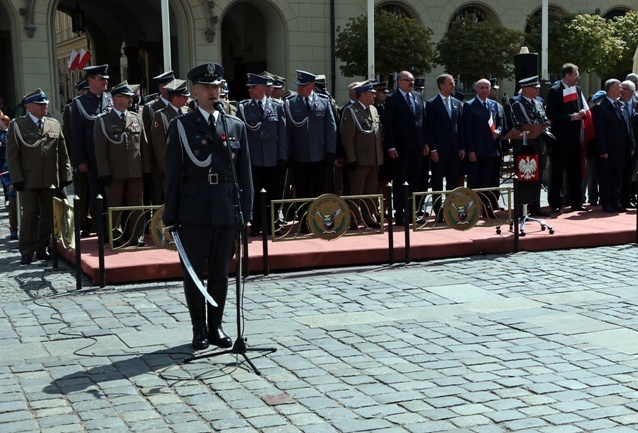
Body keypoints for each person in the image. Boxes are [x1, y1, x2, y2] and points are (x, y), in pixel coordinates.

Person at [163, 63, 253, 350]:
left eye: (217, 87)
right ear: (194, 93)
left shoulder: (235, 125)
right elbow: (173, 175)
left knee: (219, 271)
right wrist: (171, 216)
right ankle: (198, 329)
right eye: (207, 88)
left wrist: (246, 215)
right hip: (194, 209)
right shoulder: (181, 126)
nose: (214, 92)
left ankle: (216, 326)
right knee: (194, 272)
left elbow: (245, 175)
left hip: (226, 207)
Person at [6, 89, 72, 264]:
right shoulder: (18, 125)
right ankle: (26, 251)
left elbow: (62, 153)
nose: (44, 107)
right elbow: (12, 155)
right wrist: (16, 178)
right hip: (28, 179)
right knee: (29, 214)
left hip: (50, 178)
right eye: (40, 104)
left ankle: (42, 248)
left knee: (48, 215)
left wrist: (65, 175)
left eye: (45, 104)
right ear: (29, 106)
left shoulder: (54, 124)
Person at [94, 81, 151, 247]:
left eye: (130, 96)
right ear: (116, 99)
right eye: (126, 96)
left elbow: (144, 146)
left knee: (137, 206)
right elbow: (100, 149)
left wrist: (146, 170)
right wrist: (103, 172)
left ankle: (137, 236)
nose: (130, 99)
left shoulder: (136, 119)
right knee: (114, 207)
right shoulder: (103, 121)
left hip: (135, 170)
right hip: (114, 171)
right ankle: (116, 237)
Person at [284, 70, 337, 232]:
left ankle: (318, 221)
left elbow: (331, 128)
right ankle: (304, 222)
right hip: (299, 155)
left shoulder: (323, 101)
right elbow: (287, 131)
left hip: (319, 155)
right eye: (299, 85)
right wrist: (288, 153)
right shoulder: (290, 103)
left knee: (319, 190)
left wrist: (330, 151)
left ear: (312, 86)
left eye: (303, 85)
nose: (299, 88)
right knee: (302, 190)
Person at [237, 73, 287, 236]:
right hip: (254, 159)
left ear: (264, 88)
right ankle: (257, 223)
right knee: (255, 193)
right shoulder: (244, 107)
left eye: (254, 87)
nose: (250, 90)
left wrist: (283, 156)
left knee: (274, 192)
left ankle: (273, 223)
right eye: (250, 87)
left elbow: (283, 134)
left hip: (273, 158)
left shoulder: (278, 107)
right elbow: (240, 136)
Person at [71, 64, 113, 236]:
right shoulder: (80, 103)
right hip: (93, 158)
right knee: (97, 195)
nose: (105, 82)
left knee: (113, 195)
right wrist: (81, 160)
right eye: (101, 79)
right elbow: (77, 135)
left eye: (106, 79)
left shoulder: (111, 99)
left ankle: (114, 229)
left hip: (112, 157)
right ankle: (100, 229)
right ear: (90, 81)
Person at [383, 70, 427, 226]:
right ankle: (400, 214)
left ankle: (411, 212)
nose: (411, 83)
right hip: (400, 148)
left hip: (417, 147)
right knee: (400, 181)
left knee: (415, 181)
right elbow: (388, 126)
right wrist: (391, 146)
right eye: (408, 80)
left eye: (412, 80)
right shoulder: (392, 99)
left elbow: (422, 122)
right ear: (399, 82)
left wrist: (425, 143)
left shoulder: (418, 97)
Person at [545, 63, 589, 213]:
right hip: (560, 140)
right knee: (557, 172)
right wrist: (570, 117)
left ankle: (576, 202)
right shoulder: (555, 91)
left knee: (575, 172)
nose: (578, 77)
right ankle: (555, 202)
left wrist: (581, 112)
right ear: (567, 75)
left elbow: (577, 109)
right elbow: (550, 114)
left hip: (575, 139)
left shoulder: (577, 89)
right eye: (576, 74)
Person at [340, 80, 384, 228]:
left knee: (370, 190)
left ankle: (368, 217)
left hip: (374, 158)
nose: (374, 96)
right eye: (371, 94)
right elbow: (347, 137)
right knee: (356, 190)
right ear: (363, 95)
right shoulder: (351, 110)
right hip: (359, 159)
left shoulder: (373, 110)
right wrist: (351, 158)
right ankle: (353, 218)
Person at [591, 79, 635, 213]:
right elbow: (599, 131)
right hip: (608, 150)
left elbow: (628, 127)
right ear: (611, 89)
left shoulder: (620, 105)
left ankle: (615, 202)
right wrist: (603, 149)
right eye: (619, 87)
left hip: (620, 149)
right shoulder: (601, 108)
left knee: (617, 177)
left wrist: (632, 145)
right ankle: (606, 202)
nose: (621, 90)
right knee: (606, 178)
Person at [425, 73, 464, 221]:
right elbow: (430, 129)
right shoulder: (432, 103)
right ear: (441, 86)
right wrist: (433, 149)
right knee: (437, 182)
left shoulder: (456, 103)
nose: (453, 86)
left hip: (454, 149)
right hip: (439, 151)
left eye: (453, 83)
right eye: (450, 83)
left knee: (452, 181)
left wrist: (462, 147)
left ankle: (451, 209)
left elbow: (459, 126)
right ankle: (438, 211)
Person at [510, 75, 551, 217]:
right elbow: (527, 123)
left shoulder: (539, 102)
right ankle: (522, 208)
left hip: (540, 145)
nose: (538, 90)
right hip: (526, 146)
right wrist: (542, 127)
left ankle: (535, 206)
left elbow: (544, 119)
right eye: (535, 88)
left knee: (537, 177)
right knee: (524, 177)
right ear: (526, 89)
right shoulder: (517, 103)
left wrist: (545, 127)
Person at [462, 78, 502, 217]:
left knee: (488, 180)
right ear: (476, 89)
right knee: (474, 181)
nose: (485, 90)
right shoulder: (469, 105)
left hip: (491, 150)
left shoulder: (494, 105)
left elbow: (501, 123)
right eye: (482, 88)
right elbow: (467, 130)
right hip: (476, 151)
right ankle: (472, 209)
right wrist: (470, 150)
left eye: (487, 88)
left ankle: (487, 208)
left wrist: (499, 131)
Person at [142, 70, 174, 206]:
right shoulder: (151, 108)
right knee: (159, 198)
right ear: (162, 88)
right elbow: (149, 139)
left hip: (178, 161)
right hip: (158, 163)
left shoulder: (186, 105)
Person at [151, 78, 191, 181]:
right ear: (176, 98)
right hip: (173, 163)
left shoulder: (188, 111)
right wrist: (164, 167)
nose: (187, 99)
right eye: (184, 97)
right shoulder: (162, 115)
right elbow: (159, 144)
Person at [619, 80, 638, 209]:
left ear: (631, 91)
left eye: (624, 89)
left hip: (634, 144)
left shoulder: (636, 104)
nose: (621, 91)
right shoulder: (617, 104)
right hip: (620, 145)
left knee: (630, 173)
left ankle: (627, 198)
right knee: (619, 173)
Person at [1, 161, 18, 239]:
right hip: (13, 192)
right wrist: (9, 185)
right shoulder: (9, 162)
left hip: (26, 190)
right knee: (13, 212)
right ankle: (13, 231)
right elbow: (4, 175)